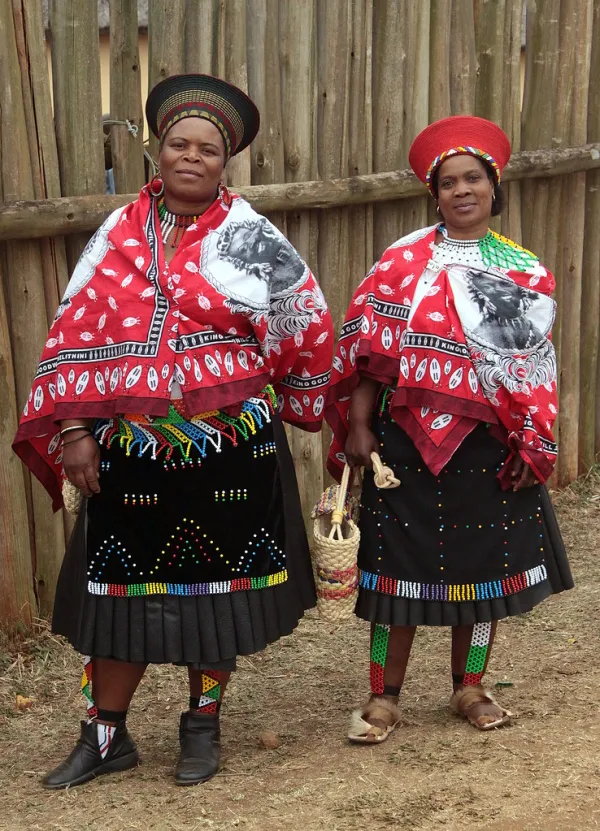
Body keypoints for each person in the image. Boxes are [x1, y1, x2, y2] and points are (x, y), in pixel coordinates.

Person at [14, 74, 333, 787]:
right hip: (129, 447)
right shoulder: (116, 237)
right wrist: (73, 427)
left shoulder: (253, 238)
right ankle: (104, 735)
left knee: (216, 594)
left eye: (209, 150)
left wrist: (298, 398)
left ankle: (202, 725)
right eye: (179, 144)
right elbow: (75, 333)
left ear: (227, 163)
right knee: (115, 591)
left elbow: (303, 323)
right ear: (157, 152)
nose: (192, 157)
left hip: (231, 445)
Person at [325, 115, 572, 744]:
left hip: (487, 440)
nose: (462, 191)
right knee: (391, 570)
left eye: (474, 179)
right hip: (401, 441)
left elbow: (532, 367)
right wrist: (358, 425)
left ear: (494, 187)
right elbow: (367, 355)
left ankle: (471, 686)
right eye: (448, 182)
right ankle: (383, 697)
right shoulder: (401, 262)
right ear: (433, 194)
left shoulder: (522, 269)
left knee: (484, 567)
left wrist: (531, 441)